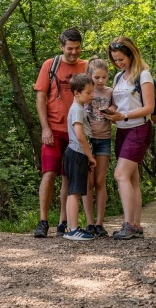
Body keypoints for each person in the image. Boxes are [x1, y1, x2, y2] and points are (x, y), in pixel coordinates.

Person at [33, 28, 87, 238]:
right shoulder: (50, 65)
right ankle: (43, 221)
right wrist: (45, 127)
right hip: (53, 129)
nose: (73, 52)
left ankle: (63, 222)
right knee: (49, 173)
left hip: (75, 131)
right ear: (61, 46)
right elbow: (40, 97)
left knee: (68, 176)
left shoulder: (85, 67)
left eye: (77, 48)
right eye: (69, 48)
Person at [103, 36, 155, 240]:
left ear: (131, 55)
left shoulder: (143, 75)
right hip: (122, 130)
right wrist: (111, 111)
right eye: (115, 60)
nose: (118, 63)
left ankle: (128, 224)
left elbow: (148, 107)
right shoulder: (117, 77)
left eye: (121, 59)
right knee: (132, 179)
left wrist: (123, 115)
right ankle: (136, 225)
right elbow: (119, 103)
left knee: (120, 175)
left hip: (139, 129)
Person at [63, 73, 97, 240]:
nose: (92, 96)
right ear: (77, 93)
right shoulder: (77, 109)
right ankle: (74, 229)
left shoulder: (77, 108)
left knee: (73, 192)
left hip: (73, 152)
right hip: (78, 153)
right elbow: (80, 134)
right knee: (76, 192)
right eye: (88, 93)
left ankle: (71, 228)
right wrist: (90, 156)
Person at [83, 56, 114, 237]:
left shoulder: (110, 92)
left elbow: (117, 108)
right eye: (97, 78)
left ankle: (100, 223)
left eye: (104, 77)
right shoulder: (86, 92)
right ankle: (89, 222)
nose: (101, 81)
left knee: (100, 181)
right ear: (89, 76)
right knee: (89, 182)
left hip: (104, 139)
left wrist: (113, 112)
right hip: (88, 140)